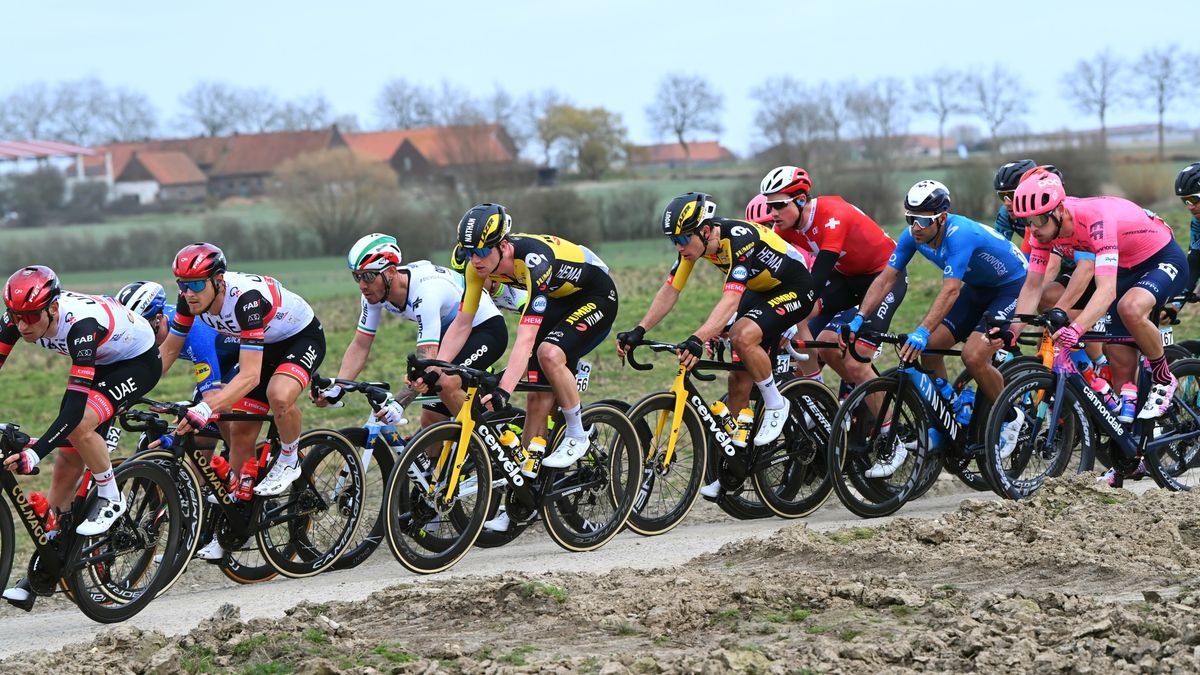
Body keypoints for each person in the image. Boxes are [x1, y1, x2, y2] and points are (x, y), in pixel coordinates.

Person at [615, 192, 815, 498]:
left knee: (742, 335)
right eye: (673, 240)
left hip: (795, 287)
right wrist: (639, 330)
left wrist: (698, 337)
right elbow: (670, 291)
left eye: (682, 238)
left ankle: (777, 404)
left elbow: (731, 298)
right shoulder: (693, 247)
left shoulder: (739, 238)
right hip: (762, 289)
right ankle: (735, 467)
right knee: (737, 377)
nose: (679, 246)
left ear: (705, 231)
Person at [1, 266, 160, 608]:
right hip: (100, 360)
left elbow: (73, 413)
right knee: (65, 464)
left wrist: (34, 452)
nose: (23, 326)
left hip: (136, 361)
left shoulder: (80, 326)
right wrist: (44, 448)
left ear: (53, 309)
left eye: (31, 317)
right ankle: (50, 557)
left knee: (78, 426)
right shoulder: (16, 320)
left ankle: (111, 495)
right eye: (16, 317)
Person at [845, 180, 1027, 476]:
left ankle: (1010, 416)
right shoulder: (912, 236)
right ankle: (951, 413)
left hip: (1012, 285)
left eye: (922, 220)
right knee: (930, 350)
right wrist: (859, 317)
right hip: (979, 287)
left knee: (972, 355)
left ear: (942, 217)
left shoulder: (960, 234)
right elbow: (885, 279)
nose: (915, 226)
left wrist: (921, 330)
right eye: (910, 218)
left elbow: (951, 290)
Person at [161, 243, 327, 560]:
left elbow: (250, 377)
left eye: (195, 284)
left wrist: (207, 408)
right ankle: (236, 520)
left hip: (299, 338)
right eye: (182, 284)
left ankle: (290, 458)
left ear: (218, 281)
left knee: (278, 394)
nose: (188, 292)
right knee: (239, 430)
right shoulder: (189, 302)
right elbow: (167, 353)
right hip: (262, 346)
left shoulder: (245, 300)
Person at [434, 203, 616, 478]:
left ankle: (579, 434)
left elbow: (526, 337)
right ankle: (526, 482)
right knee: (536, 395)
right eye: (470, 253)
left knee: (549, 354)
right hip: (560, 300)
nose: (476, 260)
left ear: (503, 246)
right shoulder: (476, 269)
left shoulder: (533, 260)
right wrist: (436, 367)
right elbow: (462, 324)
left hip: (596, 295)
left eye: (482, 251)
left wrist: (504, 391)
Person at [1002, 168, 1187, 419]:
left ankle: (1164, 379)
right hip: (1126, 265)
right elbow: (1033, 285)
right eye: (1026, 222)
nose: (1032, 229)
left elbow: (1106, 290)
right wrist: (1012, 331)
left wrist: (1076, 329)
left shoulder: (1095, 220)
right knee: (1120, 366)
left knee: (1130, 308)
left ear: (1060, 210)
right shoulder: (1043, 231)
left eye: (1038, 220)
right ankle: (1133, 445)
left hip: (1161, 257)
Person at [313, 233, 509, 431]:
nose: (363, 285)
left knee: (445, 382)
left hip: (485, 328)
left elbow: (427, 357)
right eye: (357, 277)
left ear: (390, 272)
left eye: (369, 276)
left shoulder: (425, 291)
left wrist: (399, 403)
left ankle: (483, 446)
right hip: (451, 335)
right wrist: (338, 389)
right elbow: (360, 345)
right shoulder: (374, 294)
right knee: (431, 420)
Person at [759, 165, 905, 391]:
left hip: (884, 278)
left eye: (779, 205)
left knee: (856, 363)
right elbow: (764, 270)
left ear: (799, 200)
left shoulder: (832, 214)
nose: (773, 213)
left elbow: (817, 278)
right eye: (770, 206)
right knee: (809, 330)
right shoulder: (785, 227)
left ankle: (885, 425)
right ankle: (826, 394)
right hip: (847, 279)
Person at [993, 159, 1037, 243]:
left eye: (1012, 195)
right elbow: (999, 249)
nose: (1007, 203)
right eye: (1002, 196)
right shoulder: (1005, 213)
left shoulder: (1054, 211)